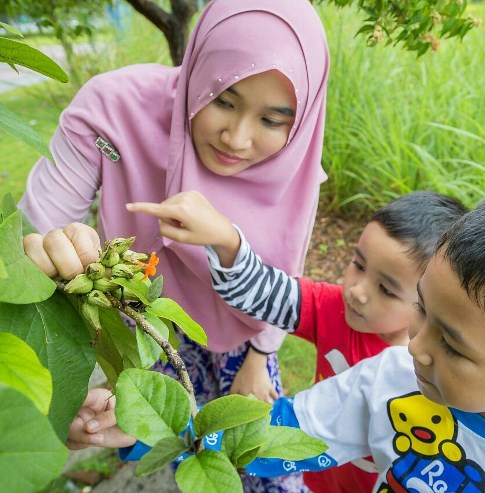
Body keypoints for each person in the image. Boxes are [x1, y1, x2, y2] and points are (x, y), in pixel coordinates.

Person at [70, 183, 485, 491]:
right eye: (423, 312)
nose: (417, 346)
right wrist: (160, 428)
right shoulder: (387, 383)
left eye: (454, 345)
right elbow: (276, 436)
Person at [20, 0, 330, 491]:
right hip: (143, 316)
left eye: (273, 121)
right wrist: (48, 249)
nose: (238, 137)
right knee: (152, 440)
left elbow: (287, 258)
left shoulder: (298, 158)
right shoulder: (113, 110)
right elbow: (38, 225)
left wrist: (259, 355)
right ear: (198, 68)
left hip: (242, 331)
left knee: (252, 455)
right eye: (223, 100)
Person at [124, 189, 468, 492]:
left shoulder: (422, 374)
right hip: (317, 474)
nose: (358, 291)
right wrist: (226, 240)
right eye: (358, 264)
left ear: (429, 301)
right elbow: (267, 291)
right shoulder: (333, 308)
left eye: (386, 289)